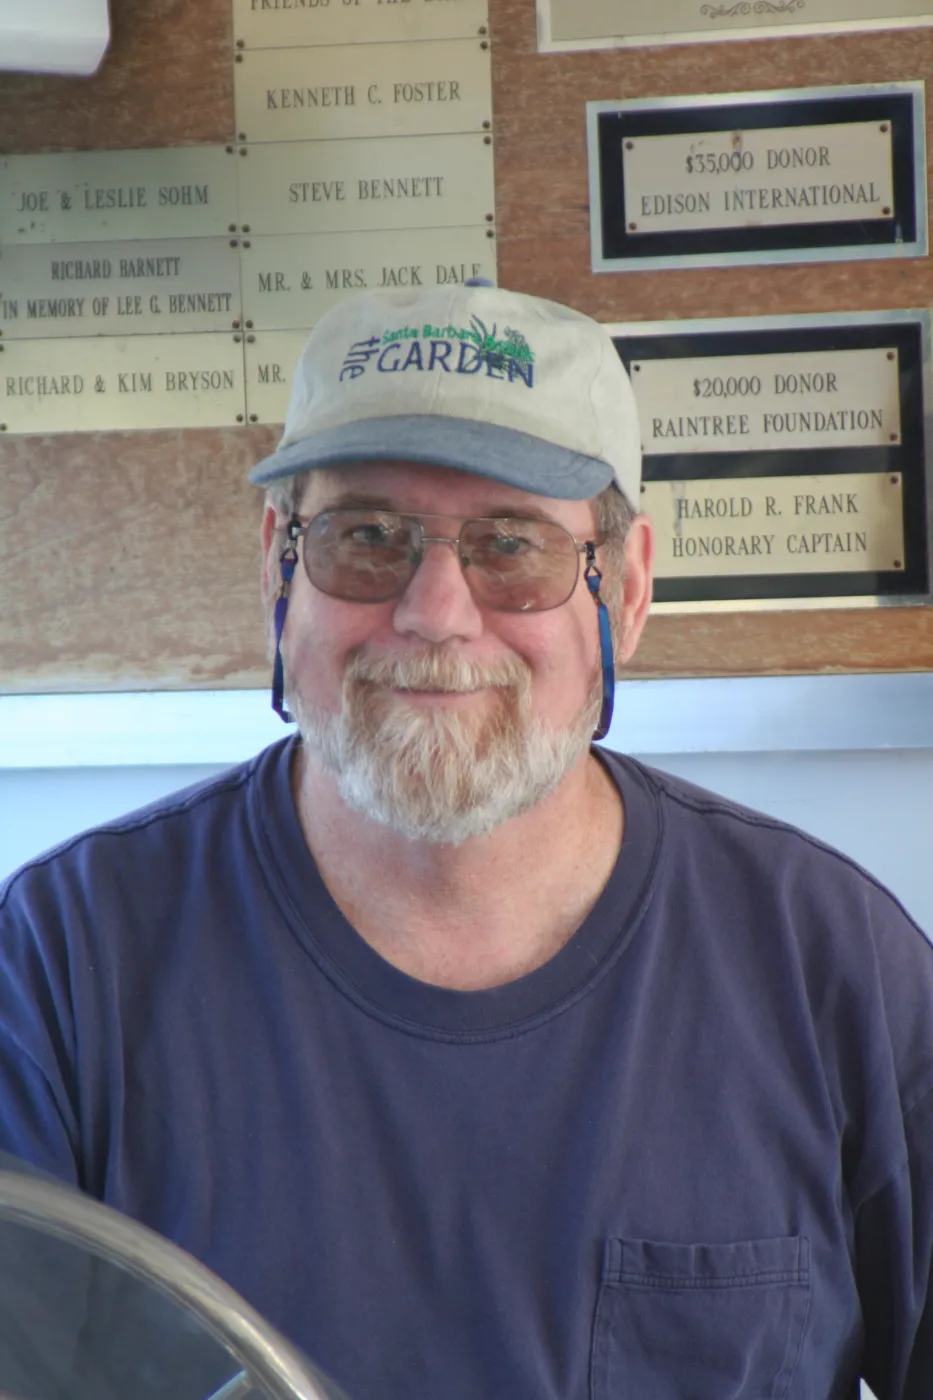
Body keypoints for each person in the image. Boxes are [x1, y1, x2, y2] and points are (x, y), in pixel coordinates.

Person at [0, 280, 932, 1400]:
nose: (436, 611)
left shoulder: (832, 963)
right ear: (275, 567)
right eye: (367, 536)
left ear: (625, 592)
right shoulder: (62, 961)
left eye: (514, 544)